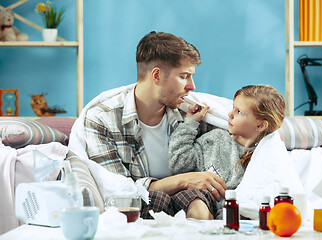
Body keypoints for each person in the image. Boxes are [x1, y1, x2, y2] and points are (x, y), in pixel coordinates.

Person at [76, 31, 226, 220]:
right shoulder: (102, 119)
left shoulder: (190, 114)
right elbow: (121, 192)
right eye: (184, 76)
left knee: (198, 204)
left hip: (191, 198)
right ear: (156, 76)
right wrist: (184, 180)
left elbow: (239, 136)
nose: (192, 86)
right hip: (144, 203)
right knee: (154, 201)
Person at [168, 85, 289, 218]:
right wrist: (190, 123)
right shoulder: (216, 139)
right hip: (199, 200)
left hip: (234, 215)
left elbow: (258, 198)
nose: (229, 115)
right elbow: (179, 163)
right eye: (233, 108)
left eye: (238, 112)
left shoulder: (265, 158)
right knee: (197, 206)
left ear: (260, 125)